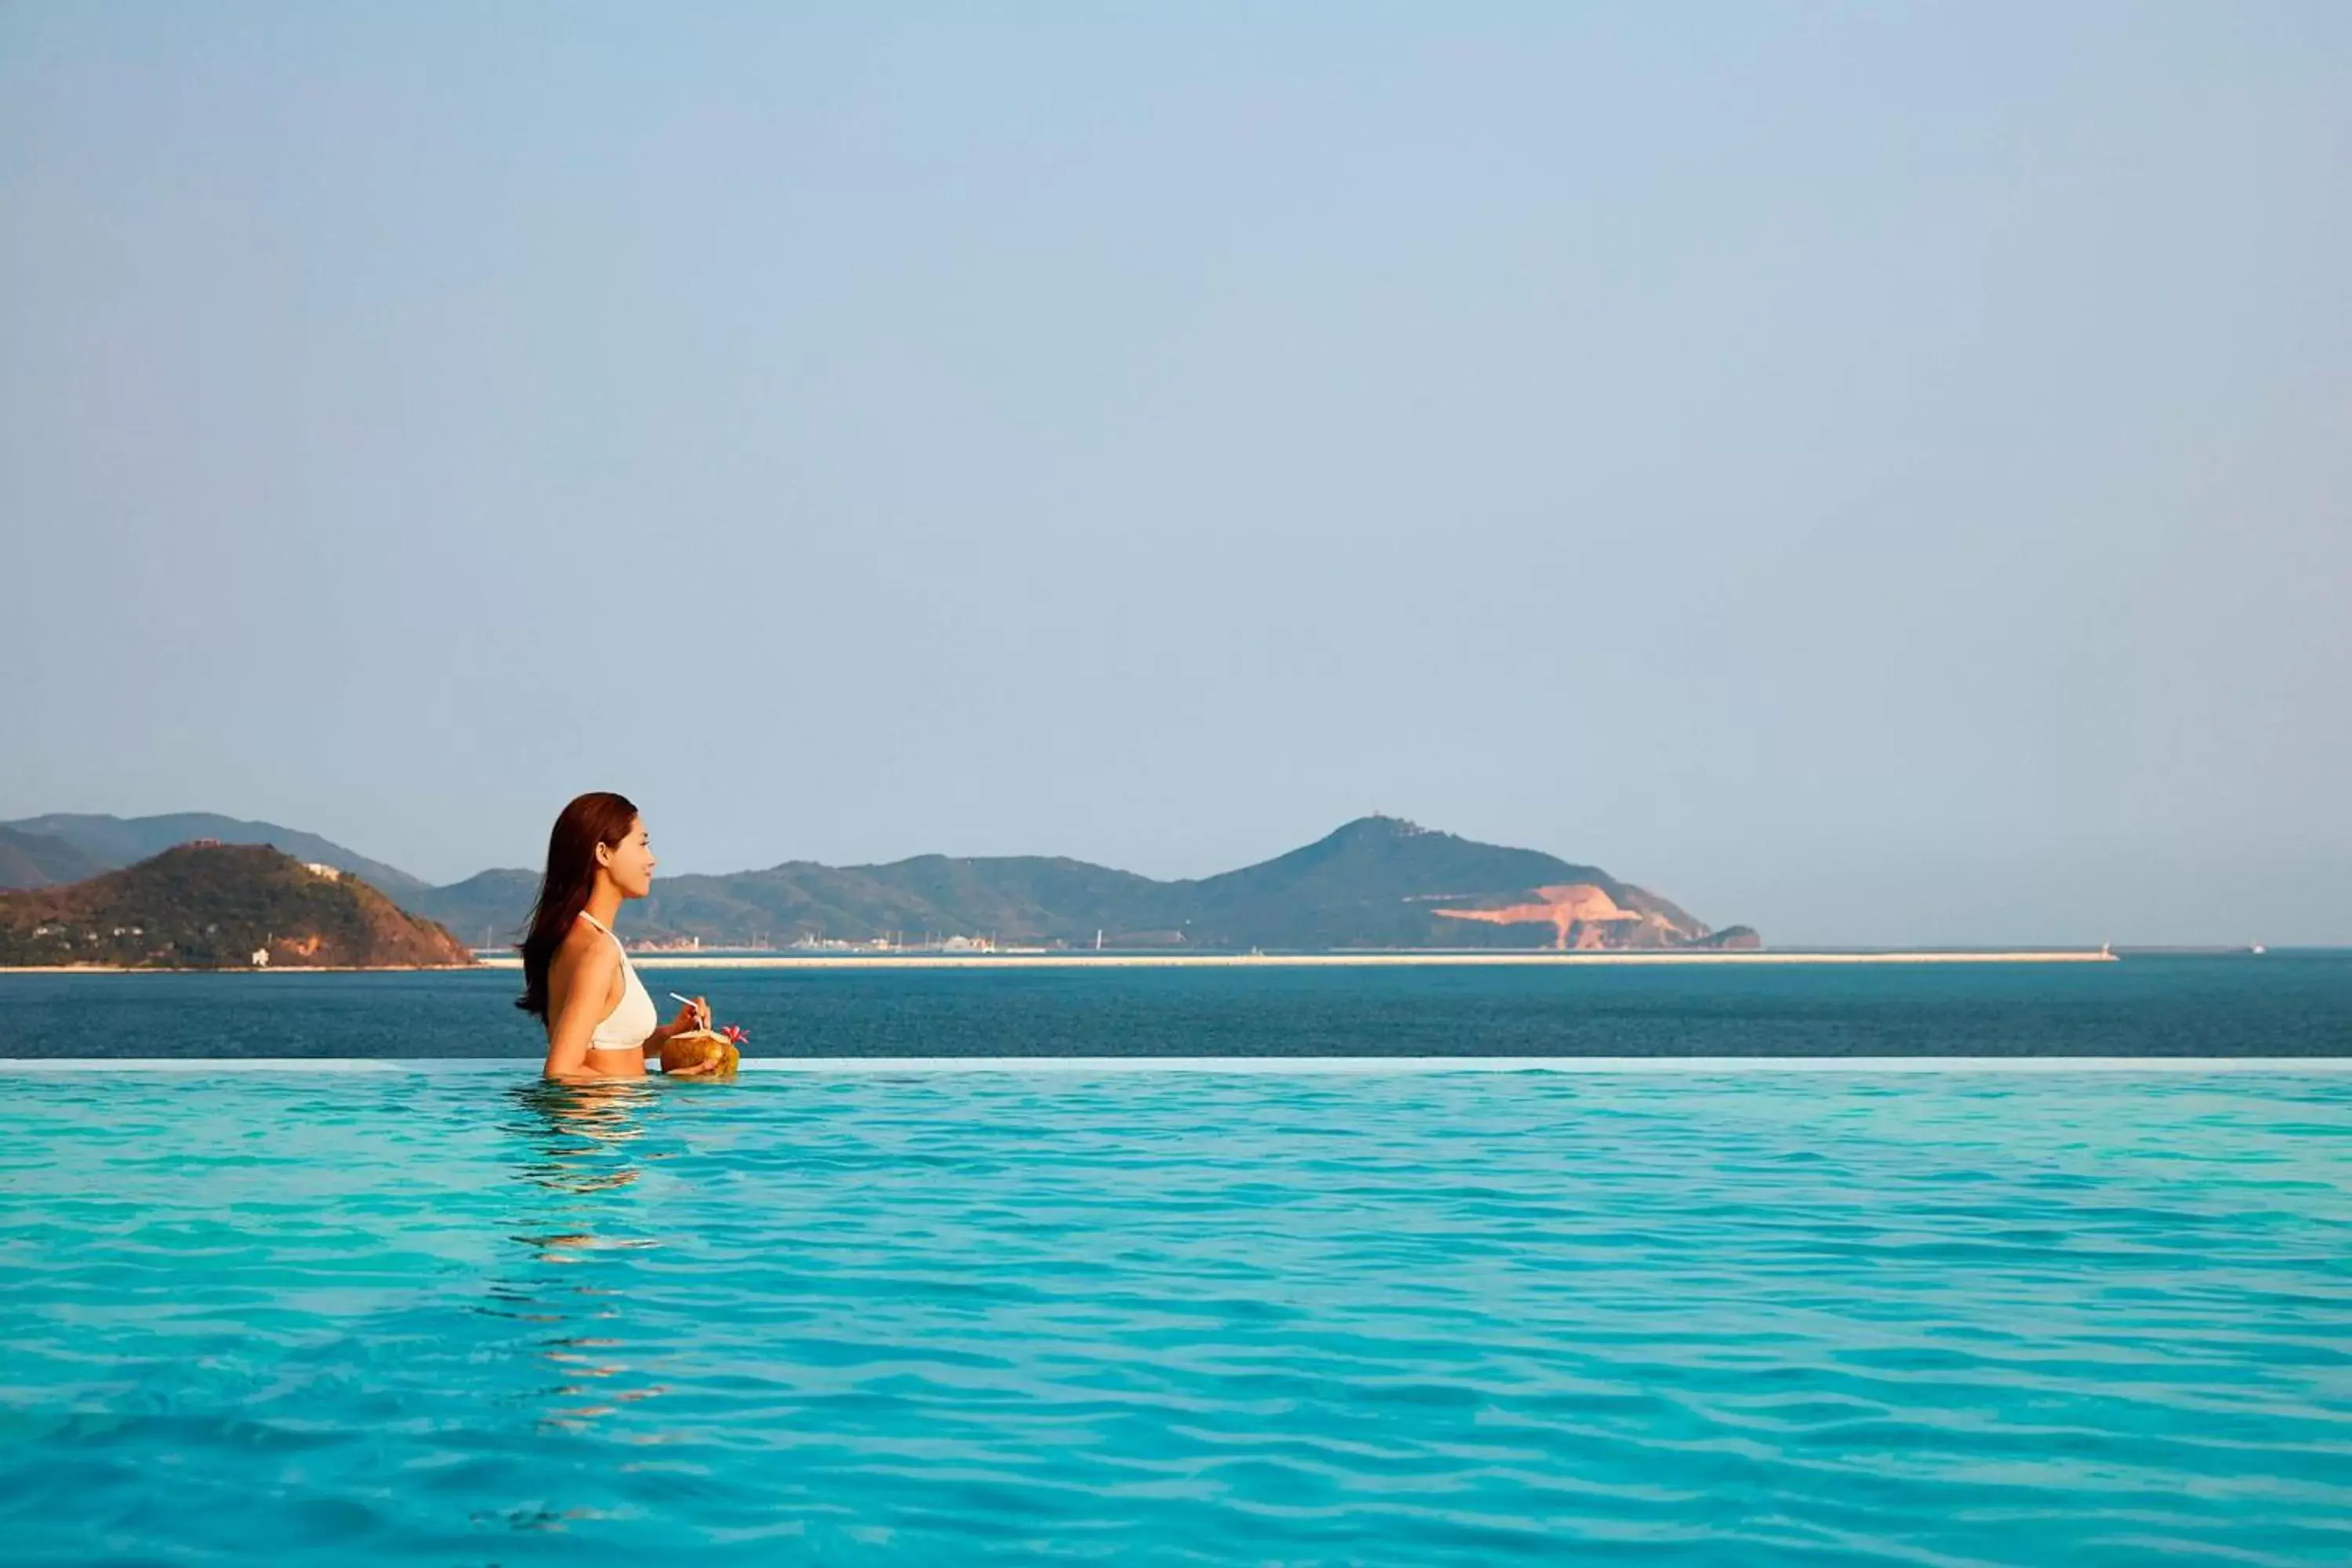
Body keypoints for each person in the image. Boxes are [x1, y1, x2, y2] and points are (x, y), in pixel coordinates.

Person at [515, 791, 721, 1080]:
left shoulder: (579, 938)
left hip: (603, 1120)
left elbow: (602, 1051)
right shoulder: (599, 950)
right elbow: (561, 1073)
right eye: (643, 844)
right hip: (599, 1123)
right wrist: (661, 1087)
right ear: (604, 853)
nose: (652, 860)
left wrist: (670, 1035)